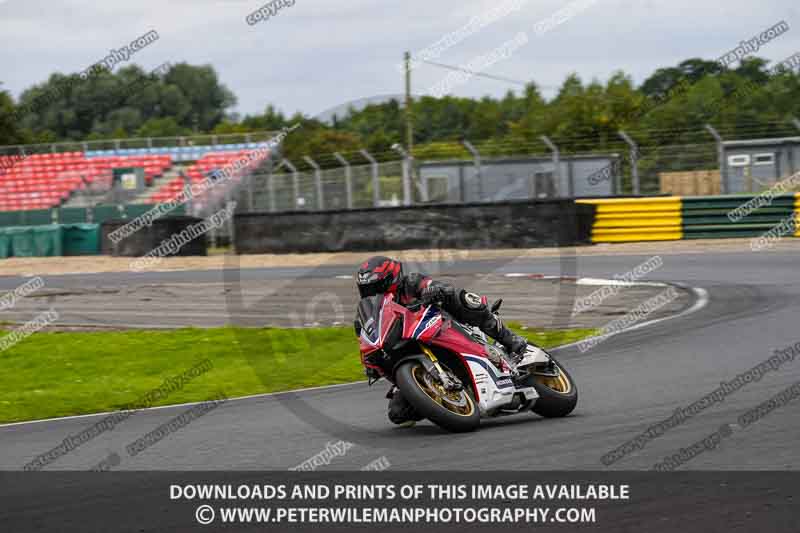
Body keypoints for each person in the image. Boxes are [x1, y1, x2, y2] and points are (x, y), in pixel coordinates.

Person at [353, 255, 529, 426]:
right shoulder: (368, 315)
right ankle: (443, 401)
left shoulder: (411, 283)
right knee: (398, 414)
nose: (371, 293)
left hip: (441, 326)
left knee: (464, 299)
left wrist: (436, 289)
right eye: (367, 289)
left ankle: (510, 340)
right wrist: (371, 365)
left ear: (390, 279)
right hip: (406, 347)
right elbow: (366, 339)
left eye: (375, 287)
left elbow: (432, 285)